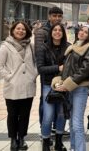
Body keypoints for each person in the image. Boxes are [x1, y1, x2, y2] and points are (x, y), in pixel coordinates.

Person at [0, 21, 38, 151]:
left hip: (28, 86)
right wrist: (10, 77)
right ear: (13, 30)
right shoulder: (5, 46)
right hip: (12, 87)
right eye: (18, 29)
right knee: (12, 114)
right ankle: (13, 139)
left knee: (25, 114)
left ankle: (22, 138)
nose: (21, 31)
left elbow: (36, 63)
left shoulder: (31, 46)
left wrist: (33, 75)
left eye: (23, 29)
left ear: (27, 31)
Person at [51, 25, 89, 151]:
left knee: (77, 123)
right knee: (71, 122)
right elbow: (66, 68)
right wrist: (58, 82)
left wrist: (67, 84)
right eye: (81, 30)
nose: (82, 33)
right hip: (69, 88)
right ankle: (73, 147)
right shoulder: (73, 47)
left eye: (86, 32)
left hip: (80, 89)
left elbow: (85, 71)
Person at [36, 23, 70, 151]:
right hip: (48, 86)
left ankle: (59, 142)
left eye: (60, 30)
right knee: (48, 115)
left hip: (63, 85)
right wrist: (58, 68)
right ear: (51, 32)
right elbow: (40, 68)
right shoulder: (43, 48)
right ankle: (46, 142)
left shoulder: (68, 47)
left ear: (63, 33)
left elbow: (71, 67)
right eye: (54, 30)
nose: (57, 32)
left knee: (61, 114)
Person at [34, 7, 64, 130]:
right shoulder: (42, 32)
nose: (57, 18)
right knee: (45, 100)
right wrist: (57, 67)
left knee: (59, 100)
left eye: (59, 16)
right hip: (47, 74)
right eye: (54, 15)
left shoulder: (61, 30)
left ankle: (57, 127)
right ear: (49, 16)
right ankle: (44, 127)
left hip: (59, 75)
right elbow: (39, 54)